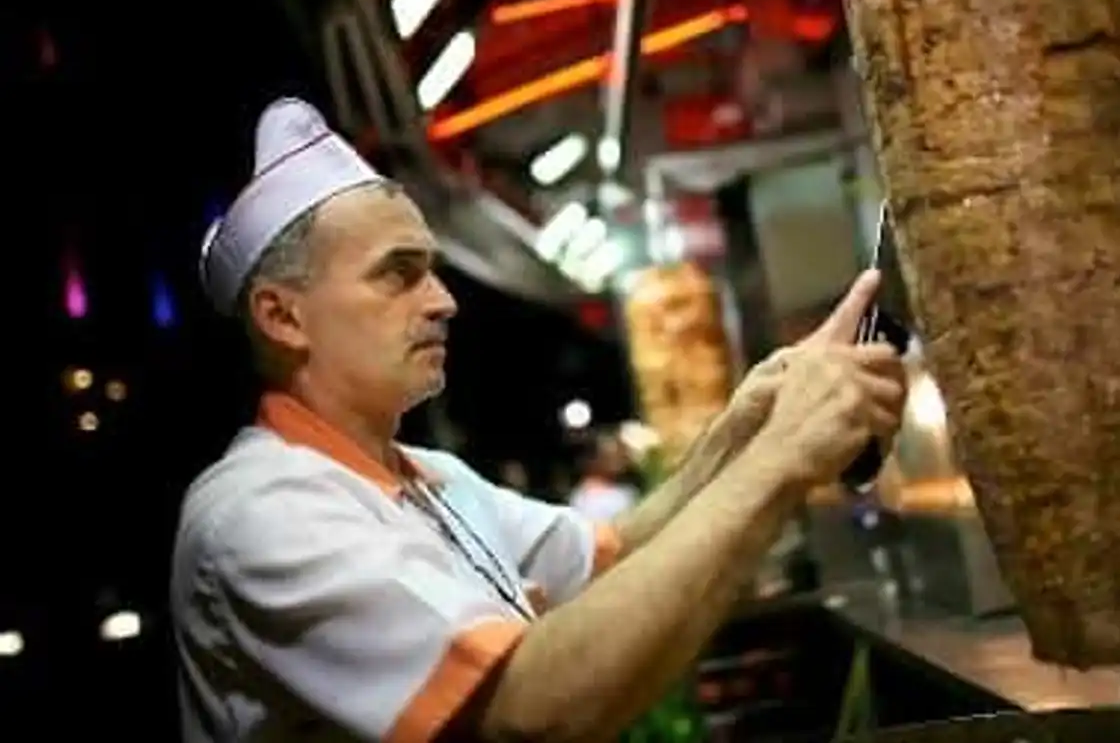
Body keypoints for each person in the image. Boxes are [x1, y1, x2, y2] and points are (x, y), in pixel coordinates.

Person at [172, 98, 907, 743]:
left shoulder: (432, 480)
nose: (442, 301)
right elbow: (530, 710)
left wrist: (746, 427)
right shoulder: (260, 514)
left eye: (432, 270)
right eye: (398, 273)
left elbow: (615, 555)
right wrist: (781, 460)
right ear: (282, 316)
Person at [568, 433, 641, 522]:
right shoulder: (586, 500)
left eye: (617, 454)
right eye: (608, 457)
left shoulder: (626, 489)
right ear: (592, 461)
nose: (618, 460)